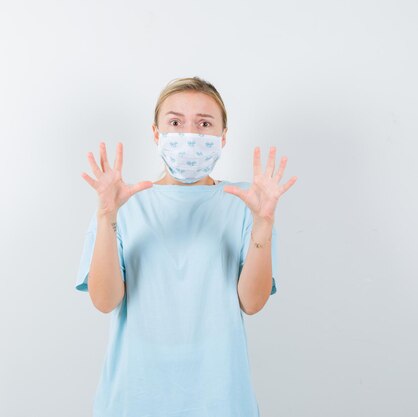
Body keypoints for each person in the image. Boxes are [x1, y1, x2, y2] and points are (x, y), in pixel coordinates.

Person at [74, 76, 297, 417]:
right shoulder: (123, 204)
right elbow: (104, 301)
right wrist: (107, 215)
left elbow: (252, 303)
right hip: (133, 400)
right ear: (156, 133)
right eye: (175, 122)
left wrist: (263, 223)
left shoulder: (246, 203)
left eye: (204, 124)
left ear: (223, 137)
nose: (189, 134)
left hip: (221, 402)